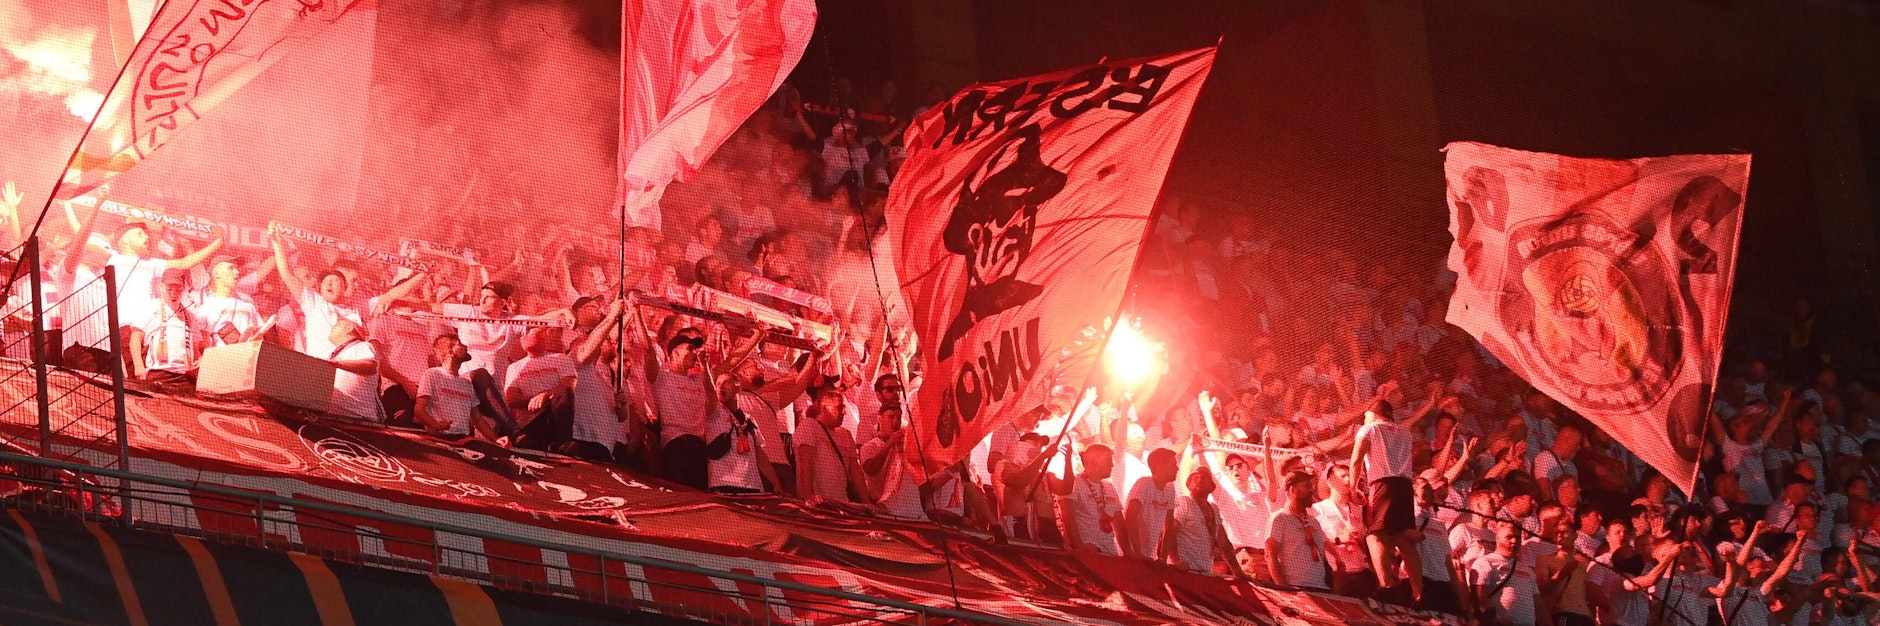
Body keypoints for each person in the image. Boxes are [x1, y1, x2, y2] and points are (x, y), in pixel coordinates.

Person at [1349, 399, 1424, 604]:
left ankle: (1386, 586)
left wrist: (1353, 487)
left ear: (1374, 414)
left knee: (1375, 535)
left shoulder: (1369, 429)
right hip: (1405, 487)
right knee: (1404, 538)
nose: (1364, 418)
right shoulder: (1404, 432)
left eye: (1366, 414)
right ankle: (1419, 594)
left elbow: (1356, 459)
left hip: (1383, 485)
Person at [504, 326, 578, 451]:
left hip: (554, 419)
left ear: (543, 335)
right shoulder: (515, 367)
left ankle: (563, 442)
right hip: (529, 425)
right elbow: (511, 399)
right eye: (522, 334)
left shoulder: (561, 359)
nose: (523, 337)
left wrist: (544, 396)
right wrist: (533, 400)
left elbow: (568, 386)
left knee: (564, 392)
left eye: (529, 332)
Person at [796, 386, 868, 505]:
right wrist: (808, 494)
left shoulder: (846, 434)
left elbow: (856, 472)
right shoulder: (809, 426)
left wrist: (867, 502)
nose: (844, 412)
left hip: (843, 502)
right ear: (824, 409)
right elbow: (805, 462)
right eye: (840, 408)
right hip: (819, 502)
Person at [414, 334, 494, 440]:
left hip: (463, 439)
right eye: (460, 344)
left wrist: (496, 439)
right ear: (450, 352)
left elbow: (477, 419)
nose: (465, 346)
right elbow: (419, 410)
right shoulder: (432, 374)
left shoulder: (466, 383)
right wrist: (436, 425)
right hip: (439, 438)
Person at [1052, 444, 1123, 556]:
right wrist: (1078, 545)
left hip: (1110, 552)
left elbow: (1119, 523)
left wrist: (1127, 551)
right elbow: (1067, 515)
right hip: (1086, 550)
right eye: (1108, 461)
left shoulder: (1109, 487)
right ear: (1094, 463)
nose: (1112, 465)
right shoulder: (1074, 483)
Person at [1266, 470, 1331, 590]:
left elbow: (1324, 554)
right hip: (1296, 586)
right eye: (1306, 486)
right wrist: (1284, 589)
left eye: (1311, 486)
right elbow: (1270, 555)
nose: (1311, 490)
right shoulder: (1280, 518)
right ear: (1293, 490)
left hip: (1321, 587)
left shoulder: (1313, 521)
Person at [1170, 468, 1240, 577]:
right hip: (1183, 572)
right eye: (1195, 477)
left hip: (1204, 573)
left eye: (1204, 478)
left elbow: (1224, 544)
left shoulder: (1214, 509)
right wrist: (1175, 561)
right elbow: (1170, 531)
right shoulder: (1185, 502)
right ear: (1189, 485)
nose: (1200, 480)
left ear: (1212, 487)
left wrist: (1238, 572)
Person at [860, 404, 922, 518]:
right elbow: (871, 470)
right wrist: (889, 445)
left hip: (910, 510)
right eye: (891, 417)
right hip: (882, 508)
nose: (895, 422)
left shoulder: (907, 447)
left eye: (898, 418)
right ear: (879, 419)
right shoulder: (869, 446)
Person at [137, 270, 199, 383]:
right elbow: (135, 338)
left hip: (185, 375)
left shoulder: (190, 315)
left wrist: (198, 362)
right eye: (169, 289)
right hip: (159, 372)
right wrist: (138, 366)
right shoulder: (151, 307)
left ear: (184, 289)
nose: (173, 293)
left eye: (178, 289)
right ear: (161, 287)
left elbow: (195, 347)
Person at [1122, 447, 1180, 561]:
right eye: (1173, 465)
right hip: (1130, 555)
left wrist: (1162, 558)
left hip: (1149, 556)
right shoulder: (1143, 484)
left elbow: (1169, 526)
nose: (1177, 468)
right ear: (1160, 466)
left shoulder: (1170, 489)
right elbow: (1130, 518)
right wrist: (1137, 553)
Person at [326, 318, 385, 422]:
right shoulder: (335, 355)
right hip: (335, 415)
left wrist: (337, 364)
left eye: (338, 324)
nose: (333, 326)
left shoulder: (362, 346)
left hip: (359, 418)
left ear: (349, 328)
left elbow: (371, 366)